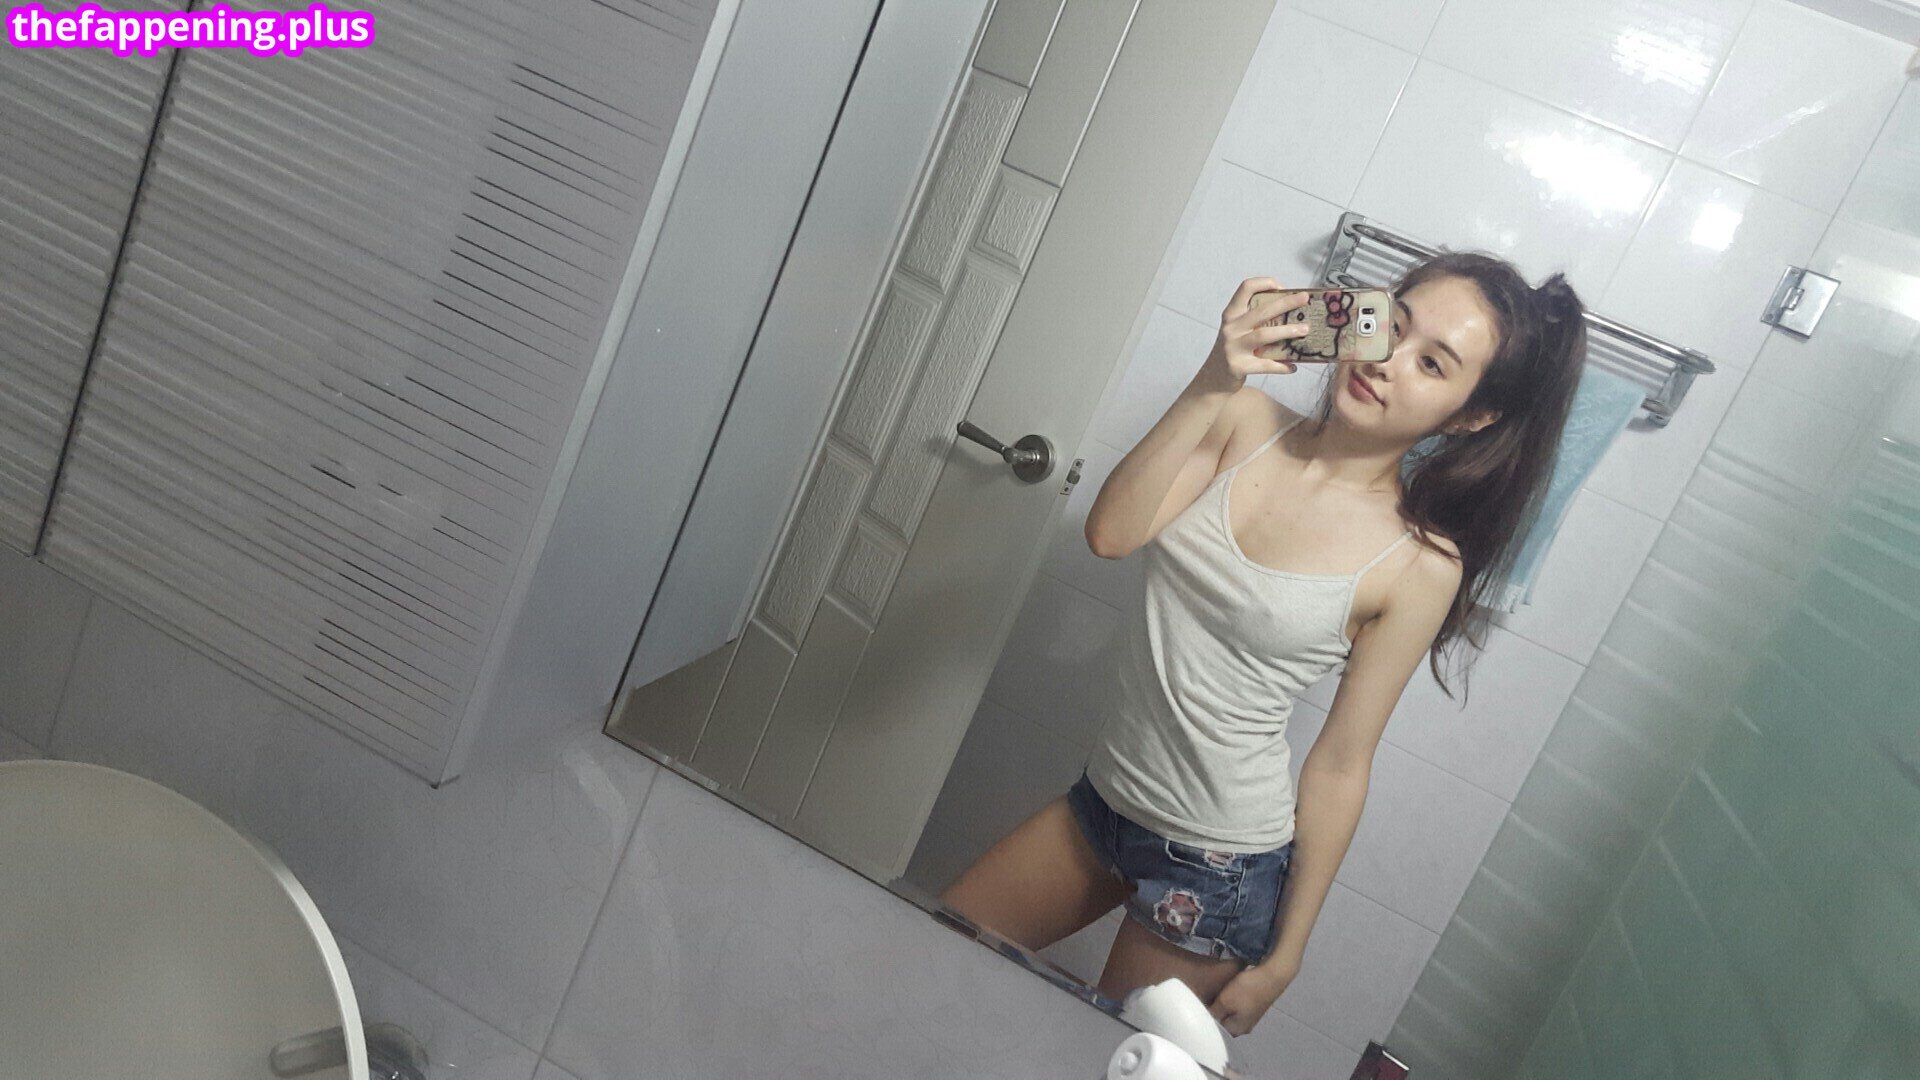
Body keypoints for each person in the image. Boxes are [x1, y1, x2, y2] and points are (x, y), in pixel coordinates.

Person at [939, 252, 1590, 1036]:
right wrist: (1216, 377)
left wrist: (1287, 955)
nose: (1386, 362)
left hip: (1219, 867)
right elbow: (1111, 534)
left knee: (1104, 1064)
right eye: (1392, 324)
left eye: (1432, 364)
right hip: (1103, 803)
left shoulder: (1421, 565)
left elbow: (1342, 762)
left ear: (1468, 417)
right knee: (936, 949)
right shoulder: (1241, 420)